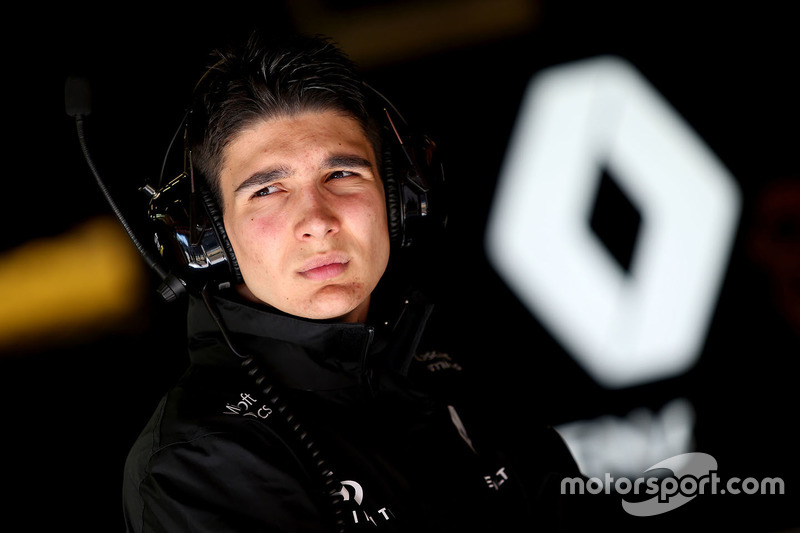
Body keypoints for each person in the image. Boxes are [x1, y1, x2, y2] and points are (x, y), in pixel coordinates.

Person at [122, 31, 588, 532]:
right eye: (268, 190)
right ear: (211, 238)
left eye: (342, 174)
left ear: (401, 200)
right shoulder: (200, 461)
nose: (317, 220)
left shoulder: (458, 372)